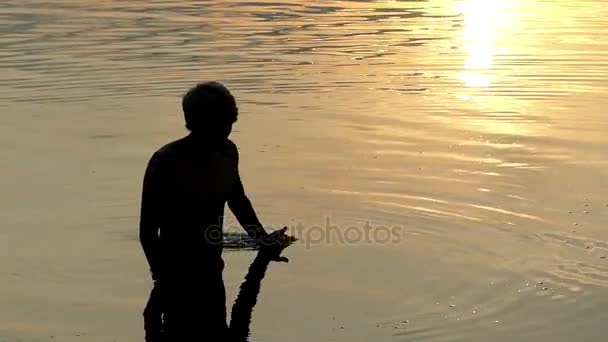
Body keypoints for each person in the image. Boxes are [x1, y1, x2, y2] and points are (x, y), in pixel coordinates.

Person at [139, 81, 294, 340]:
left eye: (229, 123)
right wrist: (161, 279)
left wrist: (263, 240)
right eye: (219, 124)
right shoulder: (165, 162)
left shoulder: (227, 152)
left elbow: (238, 200)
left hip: (212, 271)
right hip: (175, 274)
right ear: (195, 123)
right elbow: (147, 231)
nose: (226, 131)